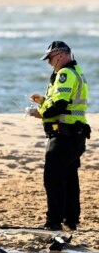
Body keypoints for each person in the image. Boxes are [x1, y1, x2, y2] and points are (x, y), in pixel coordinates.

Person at [27, 41, 90, 231]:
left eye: (50, 59)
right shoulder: (76, 71)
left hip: (64, 135)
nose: (49, 63)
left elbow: (60, 106)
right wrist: (44, 101)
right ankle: (71, 220)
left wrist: (39, 112)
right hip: (75, 135)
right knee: (69, 177)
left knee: (53, 178)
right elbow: (65, 103)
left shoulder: (64, 74)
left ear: (61, 55)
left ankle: (53, 221)